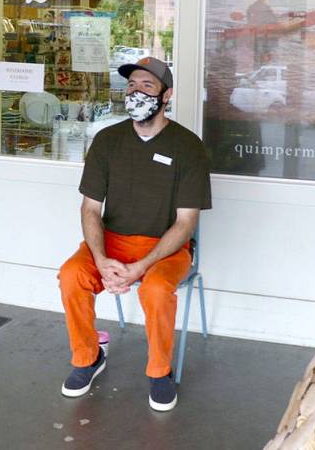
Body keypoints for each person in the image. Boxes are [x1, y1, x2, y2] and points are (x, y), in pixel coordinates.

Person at [58, 57, 212, 412]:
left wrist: (141, 265)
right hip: (110, 245)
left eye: (147, 86)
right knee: (71, 276)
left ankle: (160, 372)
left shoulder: (188, 147)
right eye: (131, 86)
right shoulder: (107, 140)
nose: (135, 92)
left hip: (165, 249)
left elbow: (185, 223)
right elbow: (90, 210)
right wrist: (101, 260)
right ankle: (88, 358)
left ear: (166, 95)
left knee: (157, 290)